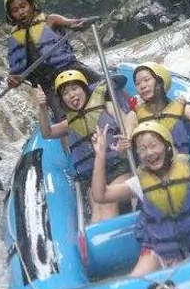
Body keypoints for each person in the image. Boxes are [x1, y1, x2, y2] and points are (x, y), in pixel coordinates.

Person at [91, 121, 190, 276]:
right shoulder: (139, 183)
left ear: (167, 146)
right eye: (142, 149)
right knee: (135, 281)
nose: (149, 153)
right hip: (160, 251)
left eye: (154, 145)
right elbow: (101, 195)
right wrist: (100, 155)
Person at [34, 70, 132, 223]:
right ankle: (98, 243)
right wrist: (42, 107)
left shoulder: (107, 106)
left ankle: (111, 242)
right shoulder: (69, 124)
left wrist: (126, 139)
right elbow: (47, 133)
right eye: (66, 93)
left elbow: (128, 119)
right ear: (62, 100)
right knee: (98, 208)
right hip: (93, 175)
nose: (71, 95)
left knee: (109, 201)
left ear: (85, 90)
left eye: (75, 89)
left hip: (118, 166)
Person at [4, 0, 102, 121]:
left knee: (105, 86)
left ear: (32, 5)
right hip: (48, 85)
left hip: (71, 69)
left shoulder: (51, 20)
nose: (21, 12)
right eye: (15, 10)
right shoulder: (14, 39)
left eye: (23, 6)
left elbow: (73, 22)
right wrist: (12, 80)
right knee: (63, 119)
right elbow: (15, 74)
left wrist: (83, 23)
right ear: (11, 16)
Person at [125, 61, 190, 154]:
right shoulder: (134, 115)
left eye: (147, 80)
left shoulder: (181, 108)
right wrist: (122, 148)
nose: (142, 86)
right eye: (137, 83)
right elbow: (126, 150)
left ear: (160, 82)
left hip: (179, 163)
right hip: (152, 165)